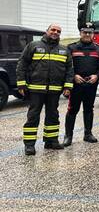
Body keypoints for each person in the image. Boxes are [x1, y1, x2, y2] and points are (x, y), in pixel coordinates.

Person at [17, 24, 73, 155]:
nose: (55, 32)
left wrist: (68, 86)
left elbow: (70, 70)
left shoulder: (64, 50)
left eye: (58, 31)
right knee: (33, 116)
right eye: (53, 30)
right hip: (36, 89)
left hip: (54, 90)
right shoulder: (33, 45)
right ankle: (29, 145)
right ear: (47, 31)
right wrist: (21, 84)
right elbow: (22, 64)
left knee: (53, 116)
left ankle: (51, 141)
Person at [64, 24, 99, 146]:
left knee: (89, 109)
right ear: (80, 33)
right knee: (72, 110)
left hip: (91, 84)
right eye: (84, 32)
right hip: (76, 85)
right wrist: (74, 76)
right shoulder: (72, 48)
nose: (87, 34)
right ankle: (68, 136)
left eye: (89, 32)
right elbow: (67, 65)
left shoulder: (98, 49)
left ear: (93, 34)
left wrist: (97, 75)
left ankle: (88, 134)